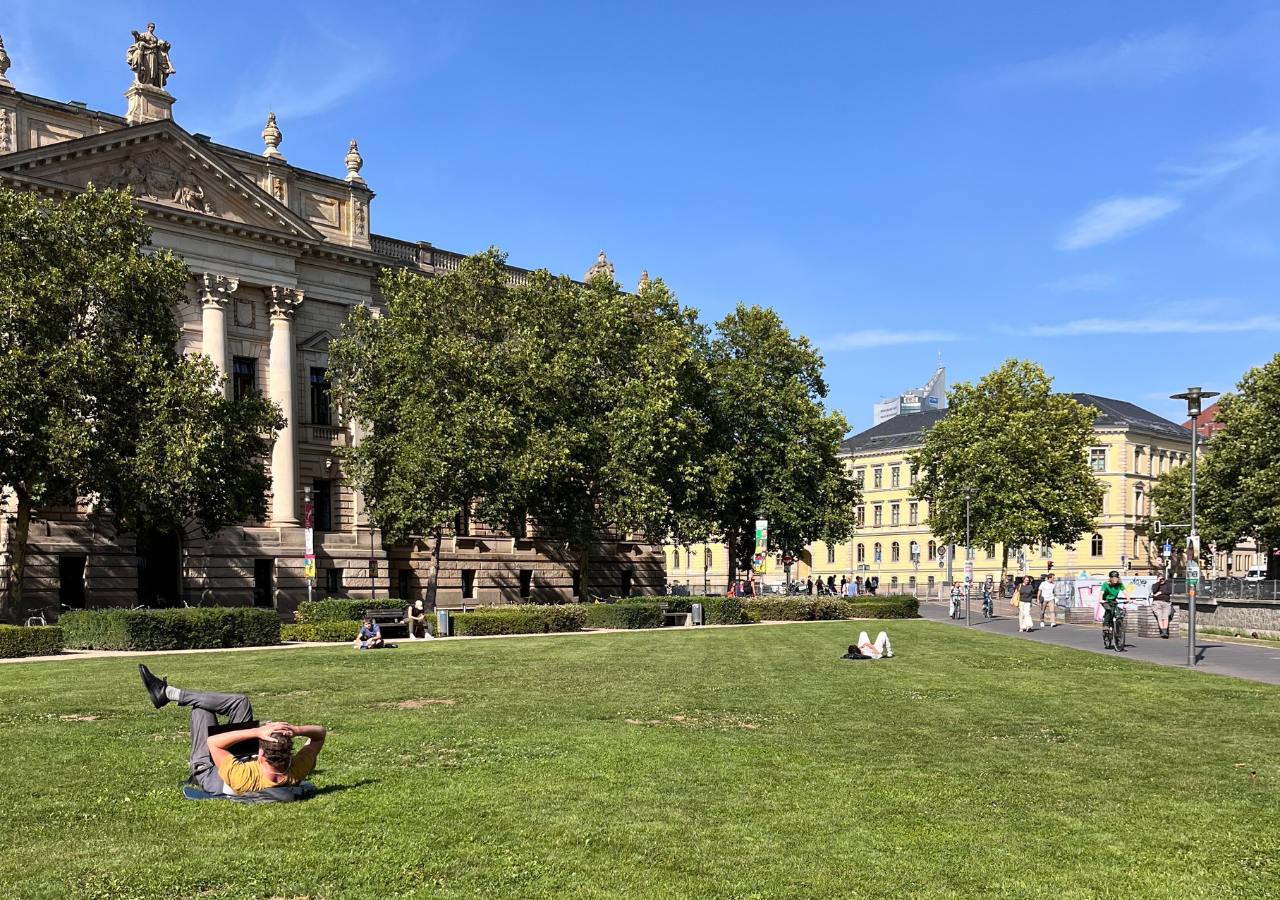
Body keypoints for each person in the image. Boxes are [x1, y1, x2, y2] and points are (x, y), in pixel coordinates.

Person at [138, 664, 326, 797]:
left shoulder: (243, 778)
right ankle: (167, 693)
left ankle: (168, 693)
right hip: (241, 757)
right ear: (288, 755)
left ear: (261, 753)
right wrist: (296, 729)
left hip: (208, 769)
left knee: (202, 709)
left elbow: (213, 743)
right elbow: (320, 735)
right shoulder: (296, 770)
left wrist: (256, 732)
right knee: (240, 702)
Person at [1100, 570, 1128, 644]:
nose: (1115, 579)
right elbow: (1101, 593)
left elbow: (1125, 591)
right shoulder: (1105, 584)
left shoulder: (1120, 584)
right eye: (1114, 578)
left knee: (1119, 613)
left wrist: (1129, 599)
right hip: (1105, 600)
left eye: (1117, 578)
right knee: (1108, 610)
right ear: (1111, 578)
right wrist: (1101, 600)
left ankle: (1118, 632)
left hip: (1113, 600)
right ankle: (1106, 625)